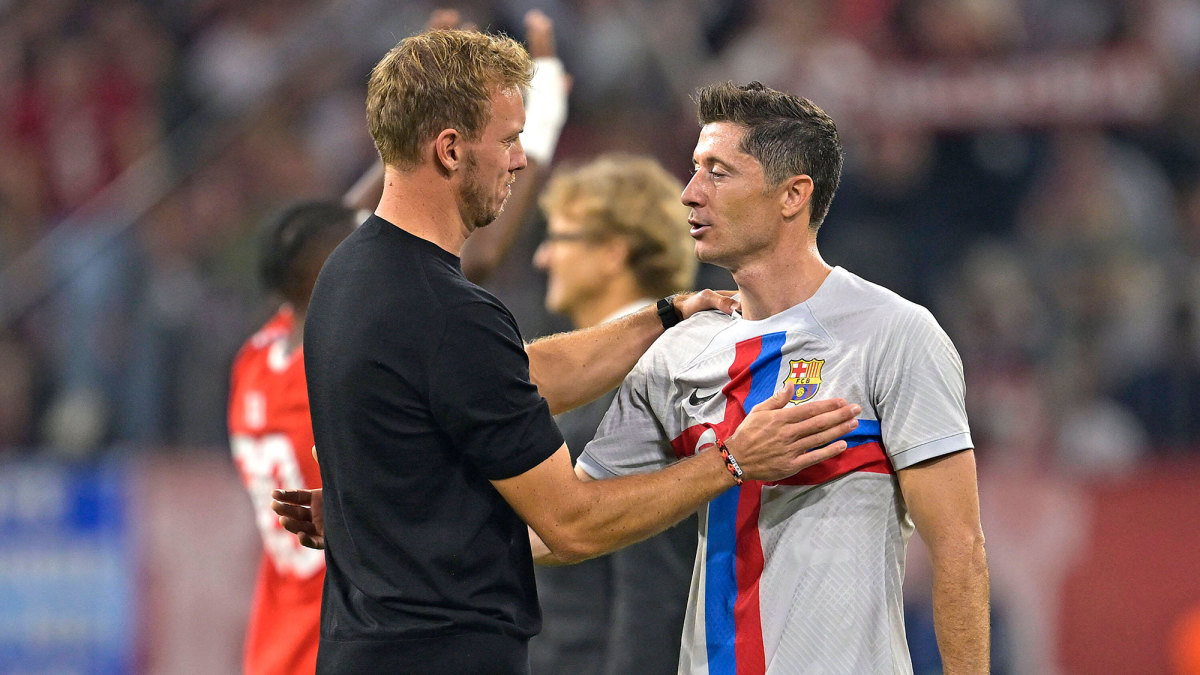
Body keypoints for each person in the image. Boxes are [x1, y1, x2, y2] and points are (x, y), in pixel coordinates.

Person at [290, 28, 858, 674]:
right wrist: (733, 459)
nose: (519, 161)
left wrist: (661, 316)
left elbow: (508, 378)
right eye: (507, 140)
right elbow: (571, 523)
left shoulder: (348, 275)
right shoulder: (451, 316)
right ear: (449, 150)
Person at [572, 81, 990, 673]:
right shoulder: (675, 353)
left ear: (792, 195)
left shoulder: (893, 333)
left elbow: (958, 550)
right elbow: (573, 523)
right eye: (694, 170)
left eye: (718, 173)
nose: (689, 195)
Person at [228, 11, 570, 674]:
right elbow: (444, 239)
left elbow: (350, 224)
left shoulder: (258, 359)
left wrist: (421, 96)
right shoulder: (387, 327)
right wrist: (545, 113)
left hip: (285, 642)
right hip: (355, 636)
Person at [528, 154, 698, 675]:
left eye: (559, 237)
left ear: (611, 252)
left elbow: (653, 578)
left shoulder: (651, 373)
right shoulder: (605, 372)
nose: (542, 257)